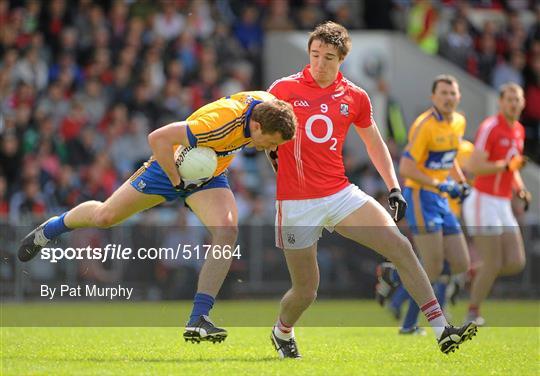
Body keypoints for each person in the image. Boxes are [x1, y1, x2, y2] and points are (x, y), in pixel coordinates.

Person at [266, 22, 477, 358]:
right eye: (315, 55)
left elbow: (376, 144)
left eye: (329, 57)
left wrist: (394, 187)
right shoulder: (282, 89)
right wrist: (271, 156)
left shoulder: (355, 96)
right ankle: (282, 331)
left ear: (342, 60)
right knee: (306, 291)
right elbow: (262, 135)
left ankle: (442, 330)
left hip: (339, 193)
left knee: (401, 246)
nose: (320, 63)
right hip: (296, 203)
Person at [17, 91, 297, 343]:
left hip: (208, 174)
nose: (265, 147)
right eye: (268, 141)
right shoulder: (218, 123)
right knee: (105, 216)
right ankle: (51, 228)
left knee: (227, 230)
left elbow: (273, 146)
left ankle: (199, 318)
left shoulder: (268, 109)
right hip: (168, 168)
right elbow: (158, 137)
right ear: (257, 126)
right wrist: (177, 180)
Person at [377, 75, 473, 335]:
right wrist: (440, 184)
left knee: (460, 264)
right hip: (421, 196)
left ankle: (394, 277)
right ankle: (408, 321)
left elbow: (451, 158)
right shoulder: (424, 125)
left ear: (458, 97)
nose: (448, 98)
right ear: (433, 97)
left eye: (452, 93)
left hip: (441, 199)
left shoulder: (459, 122)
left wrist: (460, 181)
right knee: (432, 268)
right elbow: (407, 167)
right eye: (443, 93)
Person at [462, 83, 530, 326]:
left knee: (515, 262)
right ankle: (472, 312)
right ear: (501, 102)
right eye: (509, 99)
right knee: (493, 262)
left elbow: (513, 166)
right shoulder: (491, 127)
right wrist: (506, 167)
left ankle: (470, 273)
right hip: (483, 200)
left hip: (502, 202)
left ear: (523, 103)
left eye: (517, 99)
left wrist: (519, 188)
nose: (513, 103)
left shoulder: (519, 130)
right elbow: (473, 166)